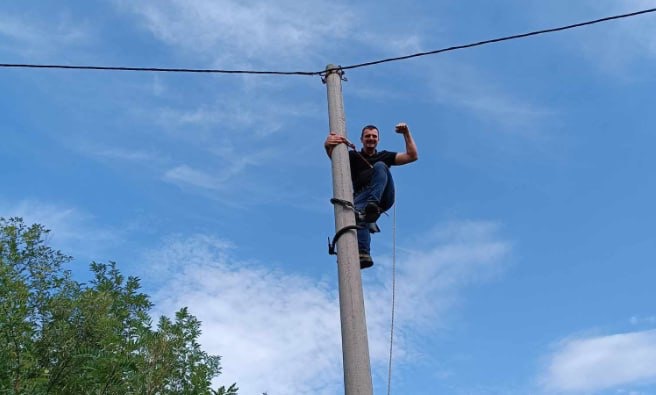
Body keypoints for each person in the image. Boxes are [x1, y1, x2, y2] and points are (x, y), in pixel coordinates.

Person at [324, 123, 418, 269]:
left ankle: (372, 205)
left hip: (382, 196)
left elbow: (412, 156)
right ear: (361, 139)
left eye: (374, 136)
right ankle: (363, 254)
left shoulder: (384, 156)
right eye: (367, 136)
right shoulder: (353, 156)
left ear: (378, 140)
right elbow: (335, 160)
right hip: (362, 196)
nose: (371, 139)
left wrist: (406, 133)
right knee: (357, 215)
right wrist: (327, 146)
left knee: (380, 165)